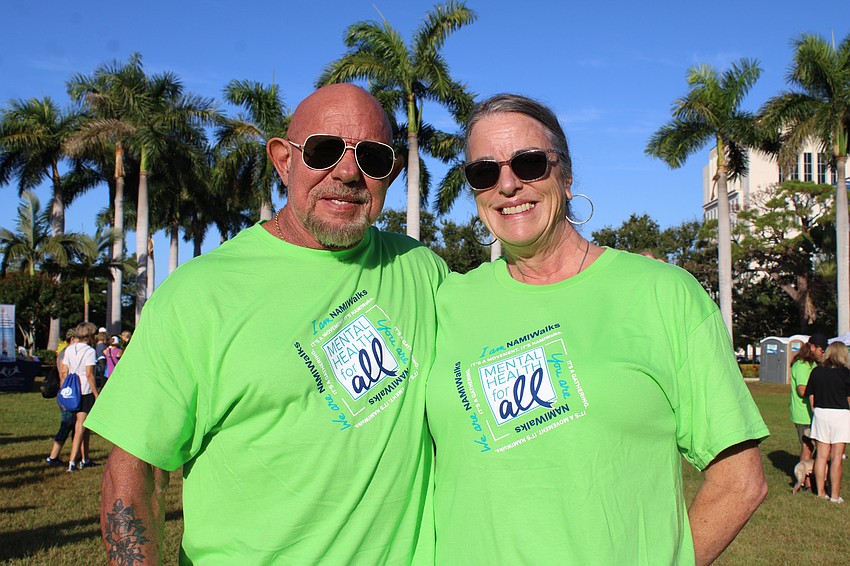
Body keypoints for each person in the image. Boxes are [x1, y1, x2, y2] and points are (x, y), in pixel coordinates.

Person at [86, 84, 448, 564]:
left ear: (391, 173)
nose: (347, 172)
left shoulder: (421, 270)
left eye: (373, 158)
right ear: (283, 160)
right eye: (324, 150)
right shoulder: (201, 294)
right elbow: (134, 473)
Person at [426, 94, 769, 565]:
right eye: (484, 172)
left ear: (565, 177)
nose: (507, 185)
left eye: (528, 164)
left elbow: (741, 481)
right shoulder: (447, 302)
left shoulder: (662, 294)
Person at [805, 341, 850, 503]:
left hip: (821, 413)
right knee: (837, 457)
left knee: (821, 456)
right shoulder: (846, 374)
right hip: (840, 415)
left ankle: (821, 492)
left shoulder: (816, 372)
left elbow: (811, 396)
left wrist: (815, 412)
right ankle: (835, 496)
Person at [789, 333, 827, 490]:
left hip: (812, 413)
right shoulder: (803, 365)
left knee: (814, 446)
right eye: (821, 350)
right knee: (807, 447)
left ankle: (812, 479)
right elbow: (802, 390)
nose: (822, 353)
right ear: (812, 347)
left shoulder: (812, 364)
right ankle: (807, 483)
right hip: (803, 413)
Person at [62, 321, 99, 472]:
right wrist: (96, 394)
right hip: (84, 390)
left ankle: (85, 458)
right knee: (81, 427)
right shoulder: (90, 351)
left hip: (72, 389)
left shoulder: (69, 350)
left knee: (83, 427)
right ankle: (73, 461)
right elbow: (89, 375)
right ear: (89, 335)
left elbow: (64, 370)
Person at [45, 328, 78, 466]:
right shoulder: (67, 353)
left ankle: (76, 454)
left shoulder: (64, 352)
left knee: (72, 424)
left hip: (66, 392)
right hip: (67, 393)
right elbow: (64, 374)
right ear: (72, 339)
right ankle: (53, 456)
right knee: (67, 424)